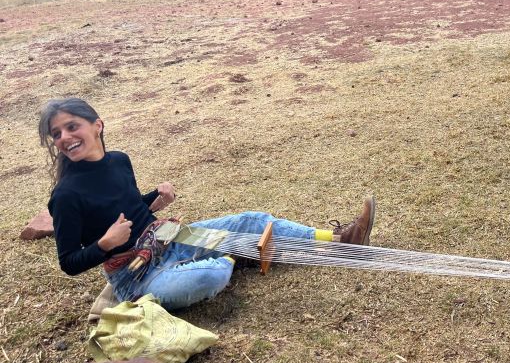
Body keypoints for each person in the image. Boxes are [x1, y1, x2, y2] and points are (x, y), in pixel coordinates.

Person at [39, 98, 375, 311]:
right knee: (215, 274)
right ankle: (231, 254)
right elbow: (69, 262)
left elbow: (126, 206)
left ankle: (339, 239)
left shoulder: (118, 160)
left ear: (97, 126)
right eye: (57, 134)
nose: (65, 137)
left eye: (72, 126)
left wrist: (154, 200)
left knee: (253, 221)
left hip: (171, 237)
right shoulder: (66, 196)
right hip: (135, 275)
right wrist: (104, 244)